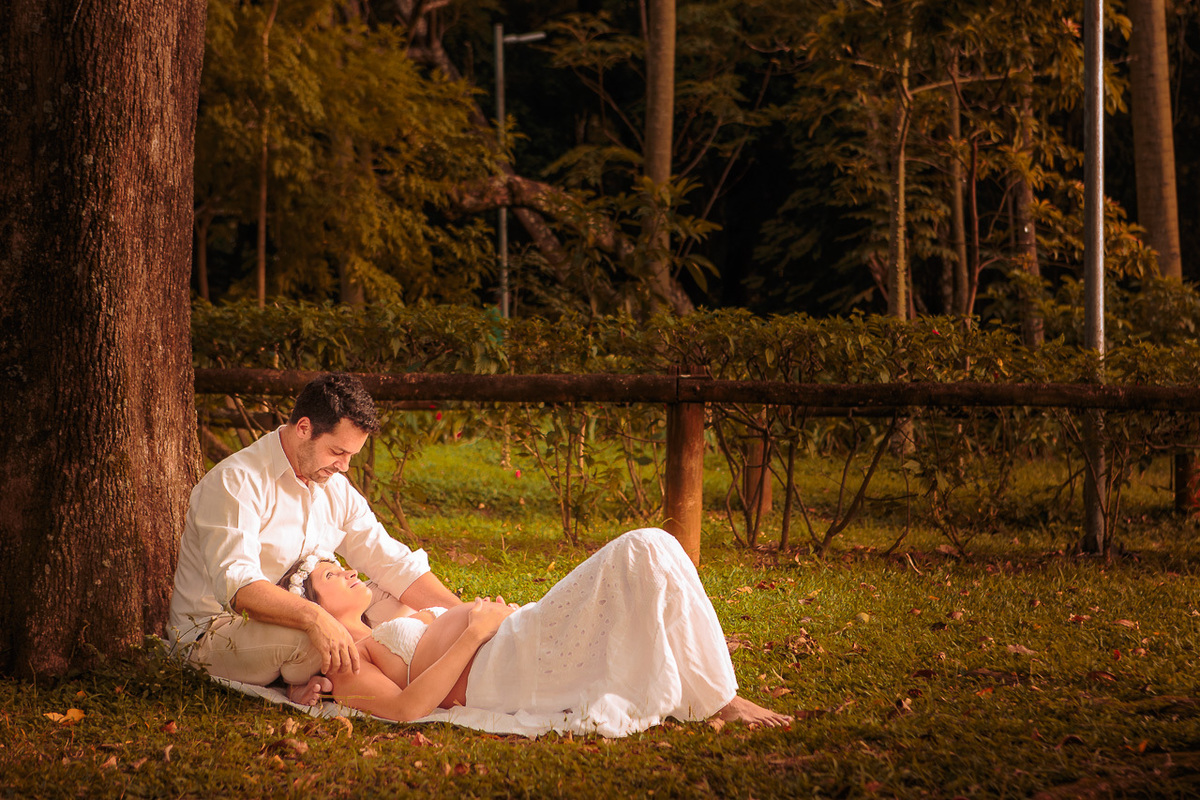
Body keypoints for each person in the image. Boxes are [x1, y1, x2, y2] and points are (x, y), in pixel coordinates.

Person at [287, 527, 793, 737]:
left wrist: (489, 619)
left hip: (521, 635)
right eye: (331, 575)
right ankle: (721, 699)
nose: (348, 572)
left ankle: (715, 693)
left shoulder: (382, 620)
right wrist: (474, 632)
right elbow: (404, 710)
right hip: (503, 665)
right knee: (644, 547)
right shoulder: (347, 660)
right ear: (313, 606)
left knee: (654, 551)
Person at [167, 373, 461, 698]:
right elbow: (239, 588)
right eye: (337, 451)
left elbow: (391, 561)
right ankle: (364, 681)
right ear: (304, 428)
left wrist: (463, 614)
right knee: (315, 642)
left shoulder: (332, 486)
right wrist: (315, 618)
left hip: (306, 608)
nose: (344, 466)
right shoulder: (236, 482)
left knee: (401, 601)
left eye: (351, 456)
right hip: (216, 630)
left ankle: (321, 675)